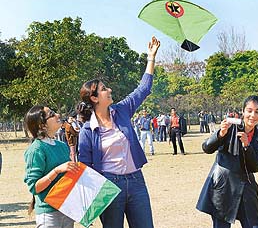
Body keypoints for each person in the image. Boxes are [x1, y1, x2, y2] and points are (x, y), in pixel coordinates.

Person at [77, 36, 160, 228]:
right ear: (94, 98)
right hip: (109, 186)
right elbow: (86, 168)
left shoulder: (122, 111)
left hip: (136, 181)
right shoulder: (88, 131)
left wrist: (151, 58)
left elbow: (143, 89)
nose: (110, 90)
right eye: (104, 89)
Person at [196, 95, 258, 228]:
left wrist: (247, 146)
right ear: (243, 112)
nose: (253, 115)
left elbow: (257, 166)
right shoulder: (230, 127)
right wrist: (221, 134)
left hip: (247, 188)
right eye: (249, 110)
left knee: (254, 225)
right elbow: (207, 148)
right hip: (224, 187)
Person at [24, 105, 79, 227]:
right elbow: (35, 187)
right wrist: (56, 171)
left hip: (66, 209)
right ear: (42, 125)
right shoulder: (36, 150)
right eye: (52, 114)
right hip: (49, 214)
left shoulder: (62, 146)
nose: (57, 115)